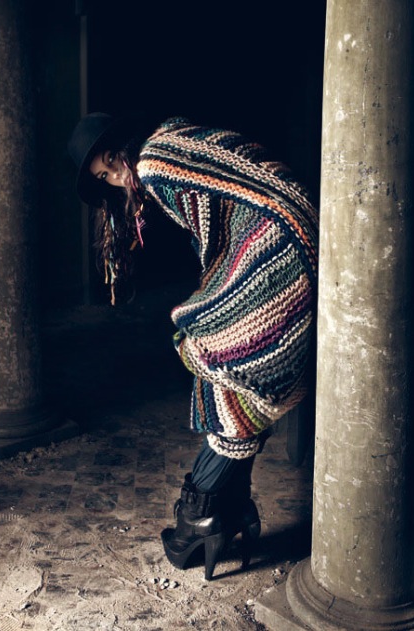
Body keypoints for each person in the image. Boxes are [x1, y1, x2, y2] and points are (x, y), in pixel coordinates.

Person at [67, 112, 318, 580]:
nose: (115, 179)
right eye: (104, 178)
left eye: (108, 165)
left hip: (277, 245)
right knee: (230, 382)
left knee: (216, 355)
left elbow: (250, 196)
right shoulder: (172, 139)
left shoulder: (154, 163)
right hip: (291, 229)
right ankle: (231, 507)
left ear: (119, 147)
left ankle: (198, 521)